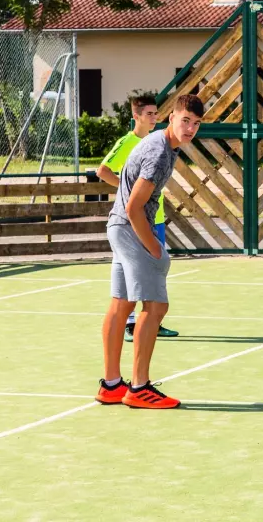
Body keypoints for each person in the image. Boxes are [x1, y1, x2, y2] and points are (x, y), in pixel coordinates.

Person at [94, 94, 204, 409]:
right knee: (156, 306)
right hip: (131, 228)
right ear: (172, 118)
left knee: (121, 304)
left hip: (119, 227)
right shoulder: (159, 152)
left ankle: (111, 385)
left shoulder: (164, 145)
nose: (190, 128)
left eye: (196, 124)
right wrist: (154, 246)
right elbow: (134, 207)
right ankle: (139, 388)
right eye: (185, 120)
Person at [96, 95, 178, 342]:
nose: (154, 117)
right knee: (130, 278)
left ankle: (152, 319)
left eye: (156, 113)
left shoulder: (159, 142)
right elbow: (103, 170)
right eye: (149, 114)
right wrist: (128, 190)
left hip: (155, 217)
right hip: (133, 219)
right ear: (136, 117)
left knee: (155, 272)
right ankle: (132, 324)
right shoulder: (128, 142)